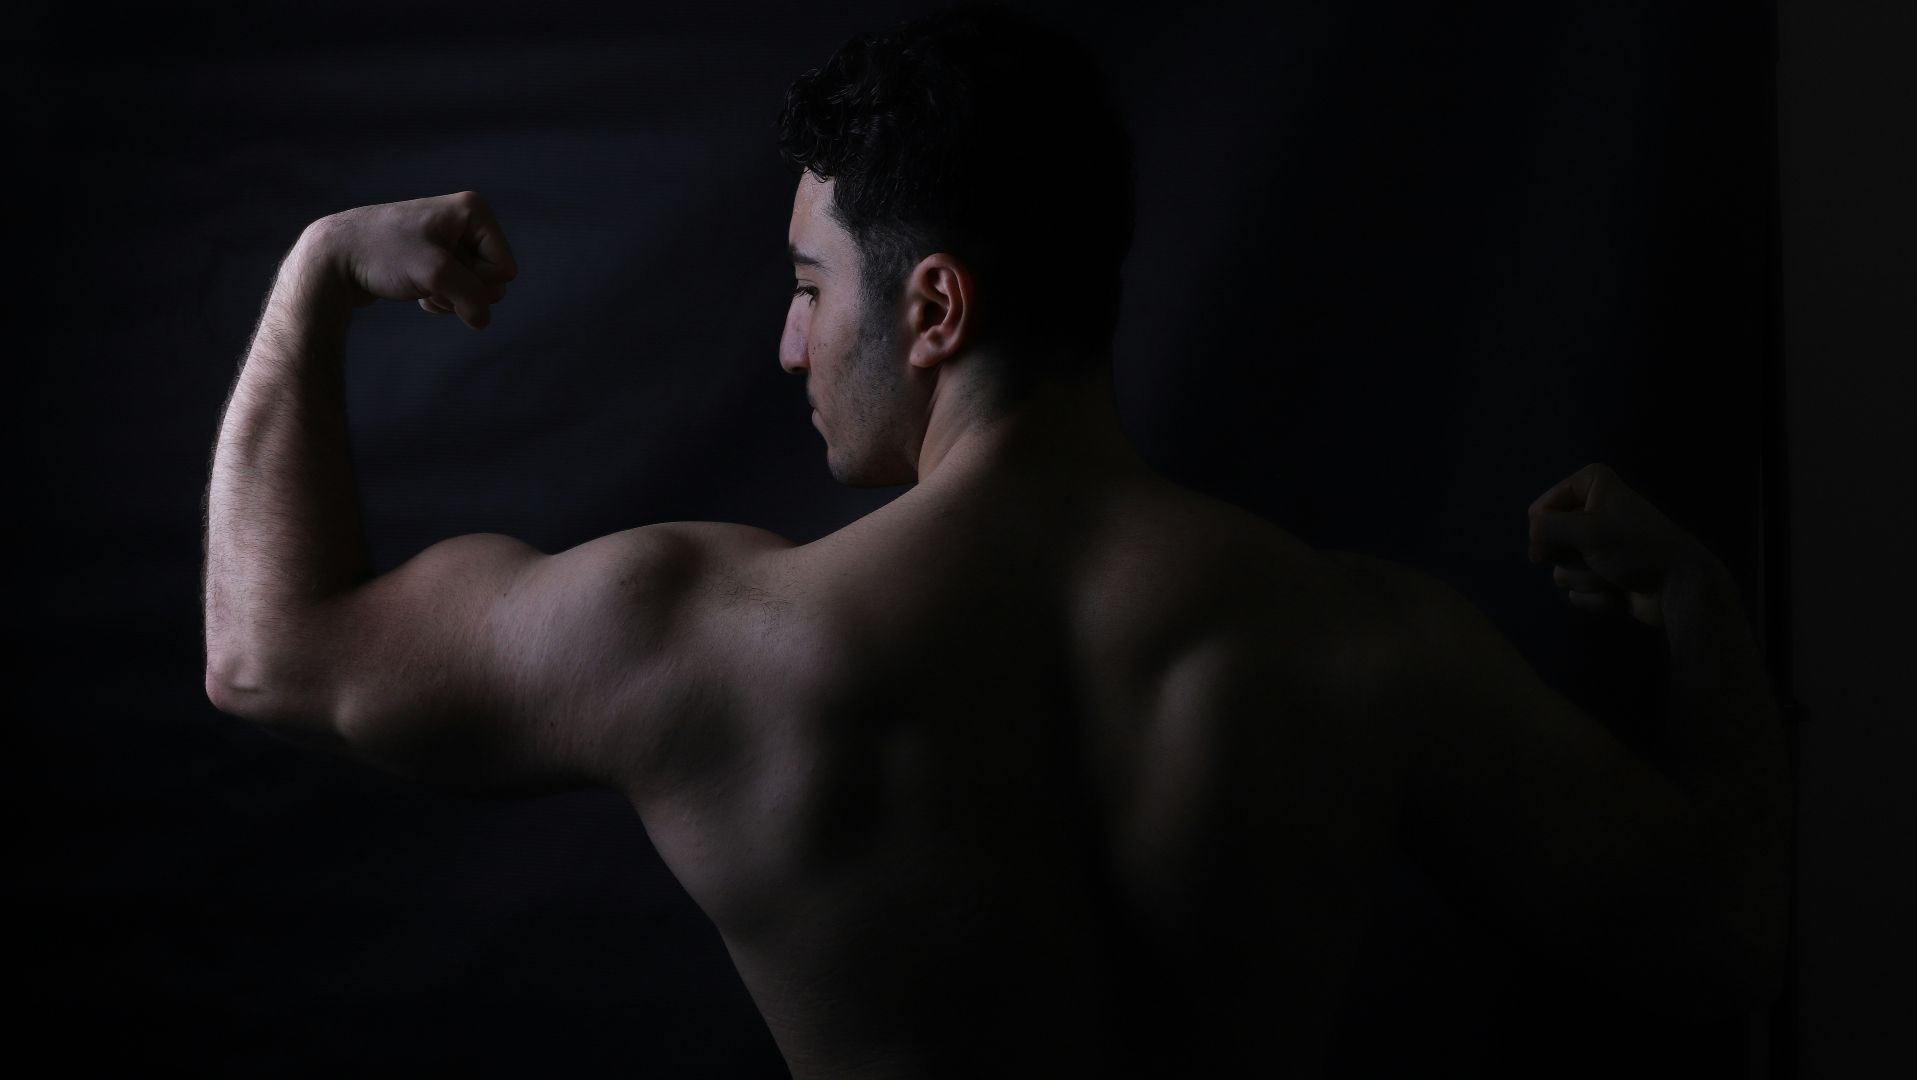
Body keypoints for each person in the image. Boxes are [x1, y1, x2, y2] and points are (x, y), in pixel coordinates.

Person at [201, 4, 1790, 1075]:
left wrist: (317, 276)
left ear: (935, 308)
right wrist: (1705, 612)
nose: (789, 343)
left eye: (811, 289)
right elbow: (1722, 944)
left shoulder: (714, 642)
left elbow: (268, 654)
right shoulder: (1363, 644)